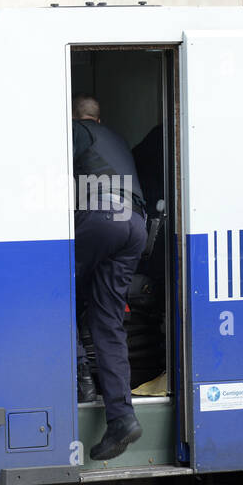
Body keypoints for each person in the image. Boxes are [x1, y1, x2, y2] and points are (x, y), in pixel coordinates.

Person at [72, 95, 148, 461]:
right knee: (108, 321)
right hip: (136, 224)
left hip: (101, 216)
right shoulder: (115, 138)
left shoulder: (75, 131)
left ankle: (81, 384)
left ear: (76, 116)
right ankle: (122, 417)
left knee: (55, 296)